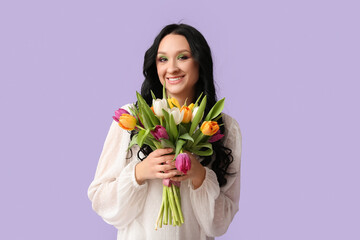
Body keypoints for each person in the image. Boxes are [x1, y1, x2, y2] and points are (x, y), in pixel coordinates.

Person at [87, 23, 242, 240]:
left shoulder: (223, 127)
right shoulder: (132, 119)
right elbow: (101, 201)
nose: (171, 68)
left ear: (200, 62)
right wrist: (139, 173)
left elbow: (221, 223)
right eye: (163, 59)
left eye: (183, 57)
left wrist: (199, 176)